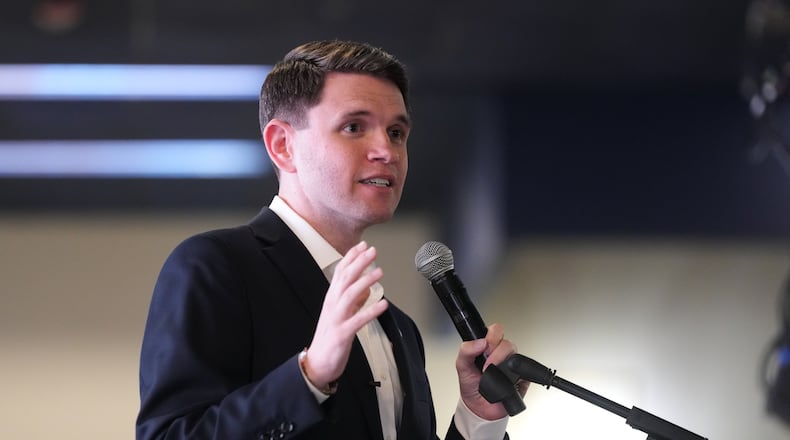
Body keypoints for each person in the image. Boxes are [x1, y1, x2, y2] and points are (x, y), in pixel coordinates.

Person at [136, 39, 527, 440]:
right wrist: (310, 375)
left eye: (396, 132)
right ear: (283, 146)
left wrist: (479, 419)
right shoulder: (216, 267)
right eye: (354, 127)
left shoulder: (399, 328)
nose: (386, 151)